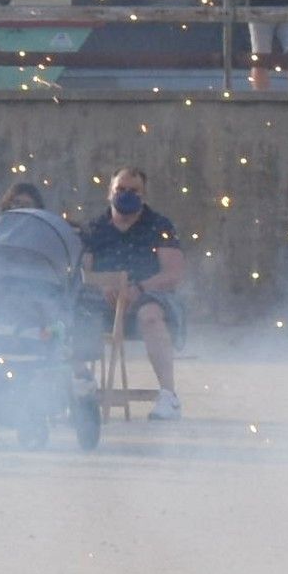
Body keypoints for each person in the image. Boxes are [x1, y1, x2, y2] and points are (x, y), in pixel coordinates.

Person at [78, 171, 191, 417]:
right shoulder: (94, 229)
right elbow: (82, 270)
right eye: (121, 190)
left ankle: (168, 396)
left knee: (150, 315)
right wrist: (102, 285)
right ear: (110, 192)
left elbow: (174, 273)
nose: (126, 195)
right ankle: (81, 385)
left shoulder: (159, 226)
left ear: (143, 195)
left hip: (149, 296)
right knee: (73, 312)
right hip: (102, 300)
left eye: (133, 191)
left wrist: (138, 289)